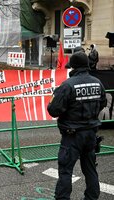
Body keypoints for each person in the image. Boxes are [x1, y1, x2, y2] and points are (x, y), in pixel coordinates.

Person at [47, 52, 107, 200]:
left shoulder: (68, 85)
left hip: (72, 135)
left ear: (73, 67)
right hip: (91, 134)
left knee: (66, 171)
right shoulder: (97, 82)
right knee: (90, 170)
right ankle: (92, 197)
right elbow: (103, 103)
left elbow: (53, 110)